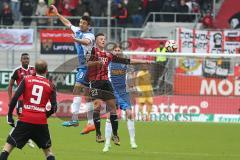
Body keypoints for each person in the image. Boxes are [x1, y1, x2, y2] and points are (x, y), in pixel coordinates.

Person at [49, 5, 96, 134]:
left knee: (77, 90)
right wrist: (58, 14)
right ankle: (90, 123)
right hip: (86, 66)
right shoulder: (78, 30)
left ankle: (75, 119)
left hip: (87, 66)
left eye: (84, 23)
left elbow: (86, 42)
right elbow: (68, 23)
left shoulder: (90, 35)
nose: (81, 24)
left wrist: (76, 39)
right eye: (80, 22)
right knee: (86, 96)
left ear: (88, 25)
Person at [0, 59, 57, 160]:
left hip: (24, 120)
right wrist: (44, 115)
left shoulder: (27, 80)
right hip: (41, 122)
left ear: (34, 70)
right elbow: (54, 108)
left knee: (7, 148)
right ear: (46, 71)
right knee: (48, 152)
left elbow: (15, 98)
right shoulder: (51, 85)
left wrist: (9, 116)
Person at [87, 33, 132, 145]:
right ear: (96, 41)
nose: (103, 40)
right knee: (97, 107)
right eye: (101, 39)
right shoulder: (93, 51)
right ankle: (98, 134)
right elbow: (88, 63)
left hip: (107, 83)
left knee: (113, 109)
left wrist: (144, 62)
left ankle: (115, 135)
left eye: (104, 39)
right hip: (95, 83)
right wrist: (98, 62)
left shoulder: (108, 55)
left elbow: (126, 61)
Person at [103, 45, 142, 152]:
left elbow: (130, 75)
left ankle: (132, 141)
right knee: (109, 117)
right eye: (115, 50)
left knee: (130, 114)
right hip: (111, 93)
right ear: (112, 52)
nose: (117, 51)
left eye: (119, 50)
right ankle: (107, 143)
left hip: (123, 93)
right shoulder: (108, 63)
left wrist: (132, 86)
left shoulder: (125, 62)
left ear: (121, 52)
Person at [8, 53, 36, 148]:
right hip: (20, 98)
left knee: (29, 118)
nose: (26, 60)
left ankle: (24, 137)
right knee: (21, 118)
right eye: (24, 59)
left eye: (27, 58)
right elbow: (10, 85)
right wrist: (10, 98)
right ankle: (23, 137)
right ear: (21, 60)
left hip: (31, 99)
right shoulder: (17, 71)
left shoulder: (33, 70)